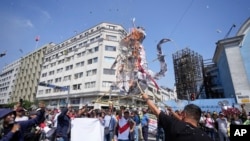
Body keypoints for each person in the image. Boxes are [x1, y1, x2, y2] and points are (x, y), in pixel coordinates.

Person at [141, 93, 213, 141]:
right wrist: (172, 111)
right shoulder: (206, 137)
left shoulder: (174, 125)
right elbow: (181, 119)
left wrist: (146, 98)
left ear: (184, 114)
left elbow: (156, 111)